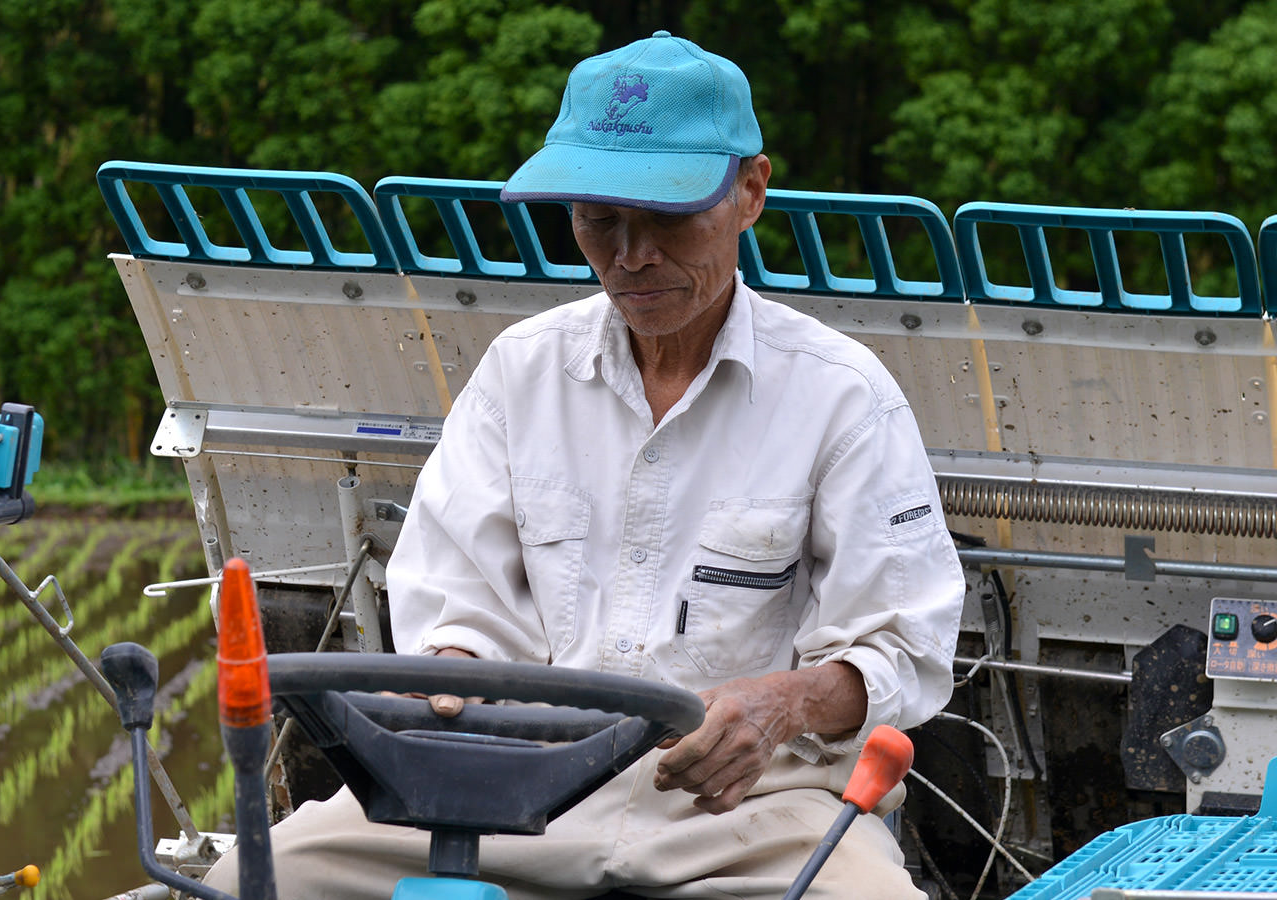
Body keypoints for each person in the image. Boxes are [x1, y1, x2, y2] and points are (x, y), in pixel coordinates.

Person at [204, 30, 963, 900]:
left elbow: (902, 647)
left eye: (667, 215)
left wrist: (786, 702)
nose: (631, 255)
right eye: (599, 220)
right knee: (247, 880)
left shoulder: (842, 395)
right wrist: (451, 669)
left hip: (750, 811)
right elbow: (456, 598)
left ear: (750, 192)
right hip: (509, 787)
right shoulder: (521, 372)